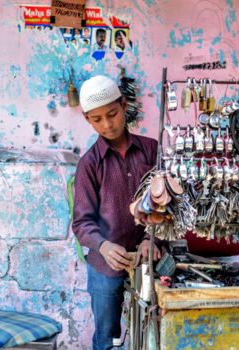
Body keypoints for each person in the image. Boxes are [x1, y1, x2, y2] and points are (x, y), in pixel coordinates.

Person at [72, 75, 162, 350]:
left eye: (112, 114)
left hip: (150, 260)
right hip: (106, 263)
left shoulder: (152, 150)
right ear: (88, 120)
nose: (107, 124)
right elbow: (82, 224)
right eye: (97, 119)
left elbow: (167, 206)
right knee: (108, 337)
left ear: (124, 105)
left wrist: (152, 238)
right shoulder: (89, 164)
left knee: (154, 333)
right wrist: (105, 246)